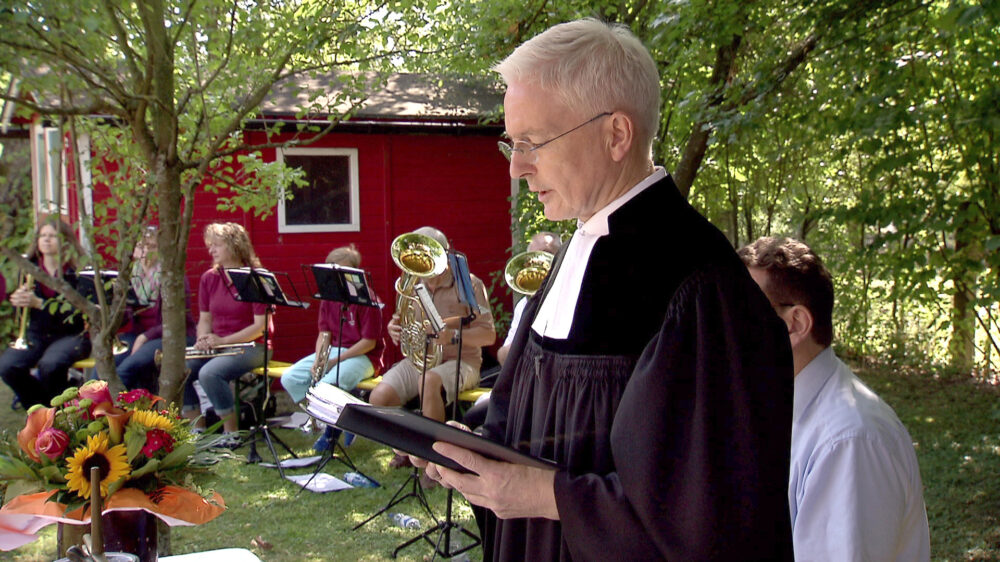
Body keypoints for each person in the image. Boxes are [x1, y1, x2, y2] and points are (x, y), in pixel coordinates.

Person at [418, 19, 795, 560]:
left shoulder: (698, 287)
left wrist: (546, 496)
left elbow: (709, 518)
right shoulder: (580, 246)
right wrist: (472, 445)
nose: (517, 169)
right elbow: (542, 412)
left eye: (532, 142)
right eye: (512, 145)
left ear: (616, 134)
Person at [738, 236, 931, 561]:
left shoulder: (849, 442)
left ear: (794, 324)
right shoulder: (785, 411)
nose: (722, 325)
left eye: (738, 308)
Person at [370, 226, 496, 464]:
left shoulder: (468, 284)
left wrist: (453, 336)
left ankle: (433, 461)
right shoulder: (410, 283)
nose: (422, 262)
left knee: (428, 381)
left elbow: (488, 335)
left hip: (461, 360)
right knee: (379, 398)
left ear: (445, 254)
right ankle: (410, 447)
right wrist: (393, 328)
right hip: (420, 359)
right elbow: (402, 320)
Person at [280, 244, 384, 451]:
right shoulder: (329, 297)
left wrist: (335, 360)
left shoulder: (367, 298)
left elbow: (369, 342)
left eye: (341, 270)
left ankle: (331, 433)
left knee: (325, 387)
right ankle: (323, 417)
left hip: (364, 357)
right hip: (336, 352)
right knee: (289, 378)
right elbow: (324, 333)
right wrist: (320, 357)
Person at [182, 222, 269, 447]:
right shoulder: (209, 278)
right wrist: (203, 339)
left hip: (253, 346)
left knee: (210, 373)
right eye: (210, 245)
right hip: (219, 345)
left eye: (217, 245)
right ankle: (197, 430)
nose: (211, 250)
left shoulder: (256, 277)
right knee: (181, 371)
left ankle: (231, 434)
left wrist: (223, 341)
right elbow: (205, 319)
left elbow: (260, 326)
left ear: (234, 245)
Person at [464, 231, 562, 429]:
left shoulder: (566, 300)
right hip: (522, 385)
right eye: (531, 258)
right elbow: (503, 357)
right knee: (474, 416)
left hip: (551, 392)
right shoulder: (524, 306)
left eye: (546, 254)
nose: (538, 263)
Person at [0, 218, 91, 408]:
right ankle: (41, 409)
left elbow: (81, 309)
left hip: (71, 335)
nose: (46, 240)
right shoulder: (29, 267)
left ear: (65, 240)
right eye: (43, 236)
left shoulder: (78, 270)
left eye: (52, 236)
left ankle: (55, 413)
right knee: (7, 366)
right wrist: (18, 300)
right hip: (36, 334)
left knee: (50, 365)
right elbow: (21, 310)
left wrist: (40, 303)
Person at [116, 227, 197, 392]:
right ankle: (92, 409)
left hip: (168, 335)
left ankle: (113, 411)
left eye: (151, 246)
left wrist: (145, 337)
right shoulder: (130, 274)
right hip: (138, 334)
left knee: (126, 369)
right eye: (141, 246)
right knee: (106, 363)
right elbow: (126, 317)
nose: (146, 250)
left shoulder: (172, 275)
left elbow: (177, 320)